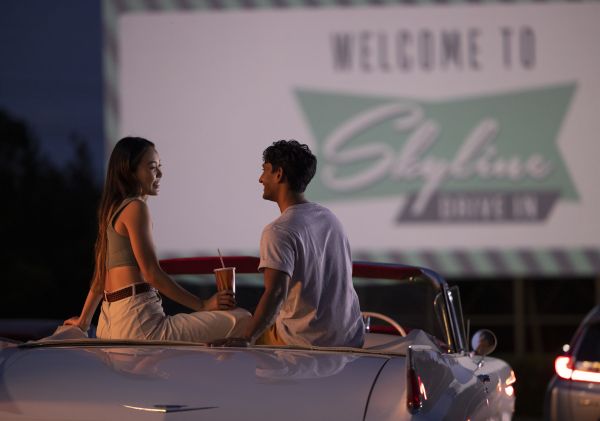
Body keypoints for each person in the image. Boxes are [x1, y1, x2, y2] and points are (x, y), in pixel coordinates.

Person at [65, 137, 249, 342]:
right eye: (153, 167)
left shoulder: (111, 211)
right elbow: (151, 273)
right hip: (138, 323)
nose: (160, 173)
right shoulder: (136, 208)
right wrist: (203, 304)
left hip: (108, 326)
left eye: (160, 166)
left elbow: (100, 278)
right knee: (243, 320)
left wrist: (84, 321)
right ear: (130, 171)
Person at [236, 139, 364, 347]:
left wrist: (245, 339)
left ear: (279, 174)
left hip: (303, 343)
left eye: (265, 170)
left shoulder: (277, 230)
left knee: (236, 329)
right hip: (349, 339)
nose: (260, 179)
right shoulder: (330, 219)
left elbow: (276, 294)